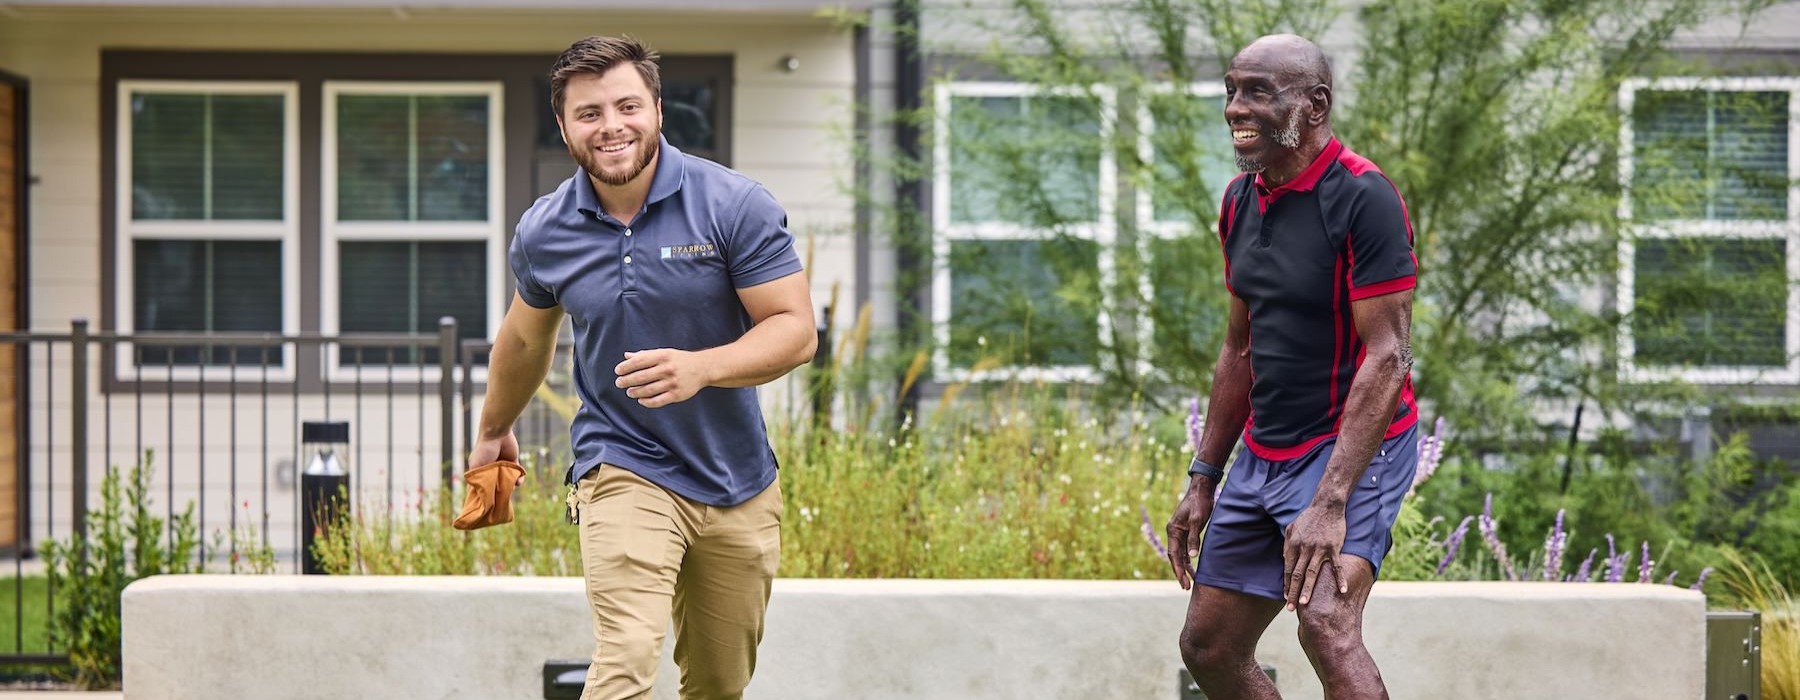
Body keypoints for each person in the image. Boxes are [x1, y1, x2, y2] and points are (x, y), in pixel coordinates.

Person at [468, 35, 816, 700]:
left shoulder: (731, 204)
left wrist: (704, 368)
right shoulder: (546, 231)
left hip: (736, 479)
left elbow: (795, 330)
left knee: (719, 683)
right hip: (622, 463)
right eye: (589, 113)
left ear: (657, 108)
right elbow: (522, 340)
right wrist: (492, 430)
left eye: (627, 106)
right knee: (625, 654)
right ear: (565, 126)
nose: (611, 127)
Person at [1165, 34, 1420, 700]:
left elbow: (1389, 357)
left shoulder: (1366, 197)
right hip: (1265, 451)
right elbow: (1239, 348)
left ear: (1315, 104)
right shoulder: (1238, 202)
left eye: (1256, 92)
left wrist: (1330, 501)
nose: (1234, 109)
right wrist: (1204, 475)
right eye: (1230, 90)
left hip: (1354, 447)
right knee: (1211, 646)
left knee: (1326, 623)